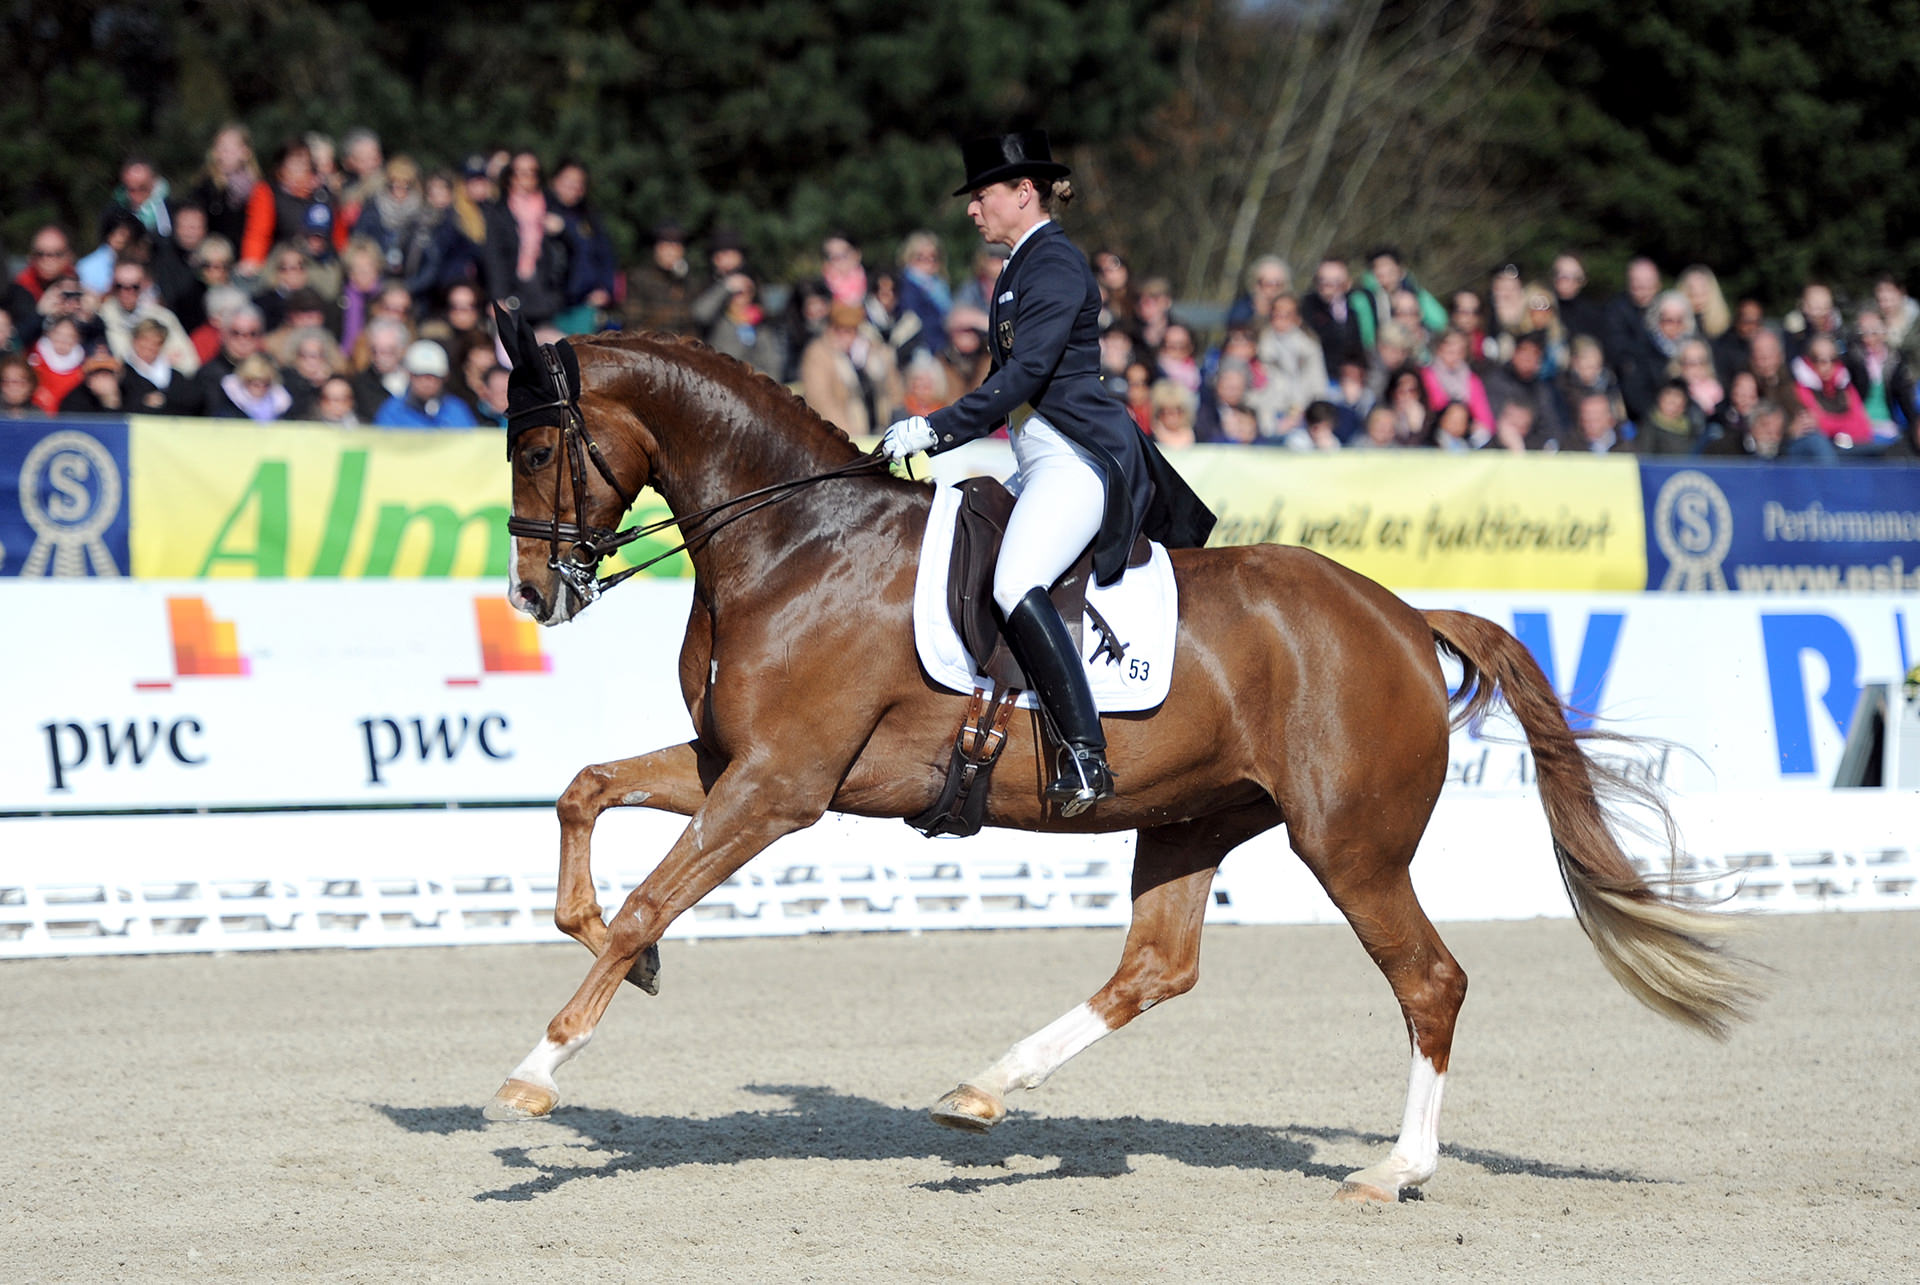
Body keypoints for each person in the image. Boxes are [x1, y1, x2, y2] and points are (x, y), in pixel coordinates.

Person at [879, 130, 1215, 816]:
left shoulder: (1054, 264)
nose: (973, 211)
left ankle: (1085, 752)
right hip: (1036, 459)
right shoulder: (1019, 269)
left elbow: (1026, 375)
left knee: (1012, 580)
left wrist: (935, 428)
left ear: (1021, 191)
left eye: (982, 196)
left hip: (1078, 459)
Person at [481, 151, 569, 327]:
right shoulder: (499, 211)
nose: (526, 178)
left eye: (532, 172)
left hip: (547, 292)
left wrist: (562, 231)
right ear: (509, 176)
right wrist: (498, 296)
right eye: (520, 172)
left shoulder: (553, 206)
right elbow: (494, 256)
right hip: (513, 292)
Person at [374, 340, 476, 428]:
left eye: (435, 376)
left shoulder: (457, 410)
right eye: (420, 376)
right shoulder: (392, 411)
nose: (428, 382)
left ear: (445, 378)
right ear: (410, 375)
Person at [0, 354, 42, 418]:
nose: (13, 388)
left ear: (31, 385)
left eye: (18, 382)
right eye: (6, 381)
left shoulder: (38, 415)